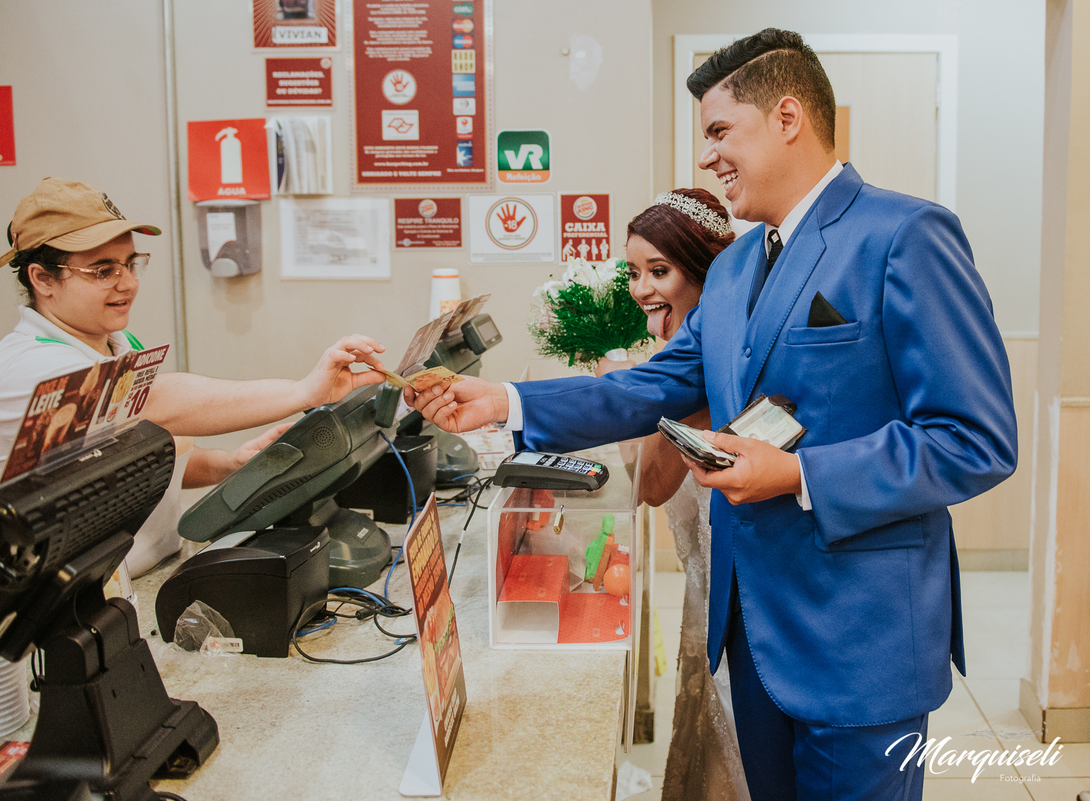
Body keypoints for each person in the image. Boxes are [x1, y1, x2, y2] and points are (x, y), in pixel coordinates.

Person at [408, 29, 1018, 800]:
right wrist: (505, 400)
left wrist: (796, 472)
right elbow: (653, 385)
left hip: (858, 640)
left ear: (787, 117)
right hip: (749, 634)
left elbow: (975, 439)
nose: (707, 158)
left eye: (720, 131)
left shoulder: (904, 236)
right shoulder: (732, 268)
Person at [0, 177, 389, 575]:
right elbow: (155, 403)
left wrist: (229, 465)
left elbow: (141, 458)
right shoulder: (30, 368)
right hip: (63, 603)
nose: (128, 283)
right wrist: (303, 391)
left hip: (141, 574)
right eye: (103, 271)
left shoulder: (118, 344)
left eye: (130, 264)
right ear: (43, 278)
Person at [596, 189, 747, 801]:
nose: (641, 289)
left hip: (736, 591)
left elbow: (653, 485)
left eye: (659, 271)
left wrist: (628, 392)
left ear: (704, 272)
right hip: (703, 584)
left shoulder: (708, 362)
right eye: (634, 272)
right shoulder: (687, 345)